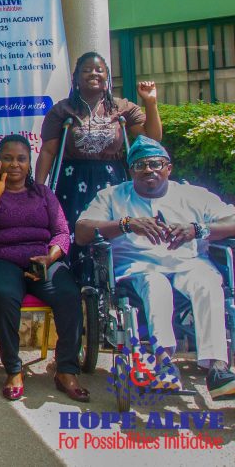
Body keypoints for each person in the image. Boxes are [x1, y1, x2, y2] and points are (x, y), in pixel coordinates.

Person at [75, 136, 235, 400]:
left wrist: (197, 230)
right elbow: (81, 232)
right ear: (130, 171)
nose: (149, 169)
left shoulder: (193, 195)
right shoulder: (113, 197)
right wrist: (126, 224)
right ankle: (164, 362)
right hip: (139, 266)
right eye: (140, 165)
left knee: (207, 282)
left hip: (188, 263)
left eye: (156, 164)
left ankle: (217, 367)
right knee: (155, 284)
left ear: (168, 168)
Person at [0, 136, 87, 402]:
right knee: (5, 295)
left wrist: (50, 257)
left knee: (68, 294)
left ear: (30, 163)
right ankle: (13, 370)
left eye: (21, 159)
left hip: (41, 260)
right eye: (7, 158)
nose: (14, 164)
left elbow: (62, 232)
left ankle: (66, 369)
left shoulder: (43, 193)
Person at [36, 51, 161, 232]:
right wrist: (40, 190)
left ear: (107, 78)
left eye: (99, 70)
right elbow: (48, 151)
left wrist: (150, 102)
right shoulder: (62, 110)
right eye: (87, 70)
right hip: (73, 179)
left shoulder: (121, 107)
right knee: (74, 228)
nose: (93, 73)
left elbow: (152, 139)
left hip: (112, 179)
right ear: (76, 79)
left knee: (111, 227)